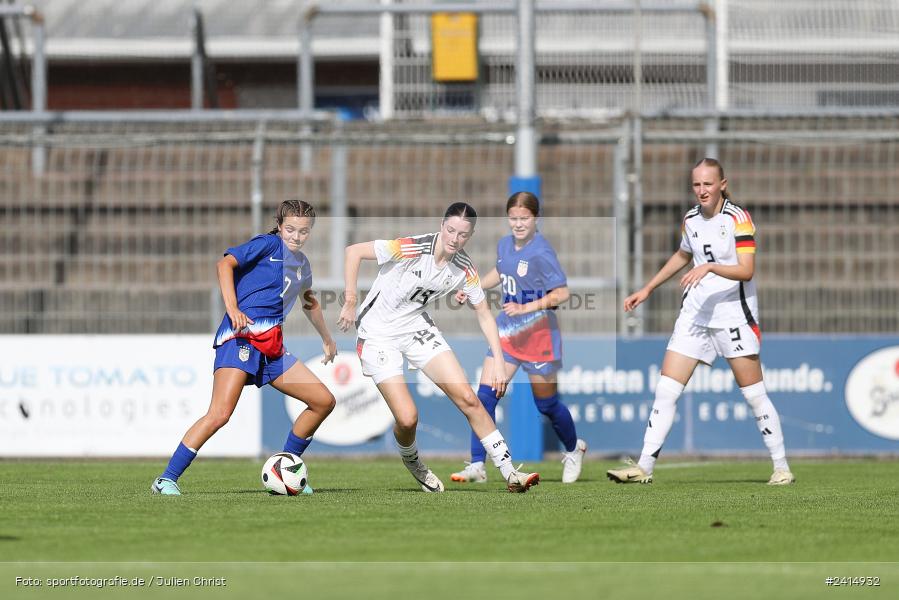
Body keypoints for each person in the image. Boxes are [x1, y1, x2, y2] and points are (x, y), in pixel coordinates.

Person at [607, 158, 794, 486]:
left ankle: (781, 467)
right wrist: (648, 288)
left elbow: (746, 269)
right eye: (696, 185)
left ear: (722, 184)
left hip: (733, 315)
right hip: (695, 314)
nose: (702, 190)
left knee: (753, 394)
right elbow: (683, 254)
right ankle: (644, 467)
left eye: (708, 184)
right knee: (666, 389)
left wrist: (708, 267)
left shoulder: (738, 218)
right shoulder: (691, 219)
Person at [336, 202, 540, 493]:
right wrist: (350, 300)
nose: (455, 238)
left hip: (416, 328)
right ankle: (413, 461)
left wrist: (497, 359)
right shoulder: (411, 247)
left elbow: (483, 314)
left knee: (469, 398)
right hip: (378, 333)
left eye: (463, 234)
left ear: (470, 236)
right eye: (451, 230)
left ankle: (510, 474)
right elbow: (353, 252)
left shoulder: (464, 269)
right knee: (407, 418)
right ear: (442, 226)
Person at [152, 200, 337, 496]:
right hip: (241, 338)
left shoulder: (302, 265)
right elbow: (224, 263)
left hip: (272, 346)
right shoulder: (266, 245)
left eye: (303, 231)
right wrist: (233, 308)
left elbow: (308, 300)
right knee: (220, 414)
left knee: (323, 401)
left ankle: (286, 468)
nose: (296, 236)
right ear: (279, 225)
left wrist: (326, 337)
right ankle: (166, 480)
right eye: (290, 229)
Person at [450, 192, 586, 484]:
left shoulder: (542, 252)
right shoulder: (504, 244)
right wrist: (472, 288)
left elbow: (562, 294)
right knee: (484, 397)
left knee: (546, 406)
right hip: (508, 333)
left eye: (524, 218)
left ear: (535, 218)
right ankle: (477, 465)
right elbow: (500, 272)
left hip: (539, 337)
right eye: (513, 218)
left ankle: (574, 450)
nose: (518, 224)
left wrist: (527, 306)